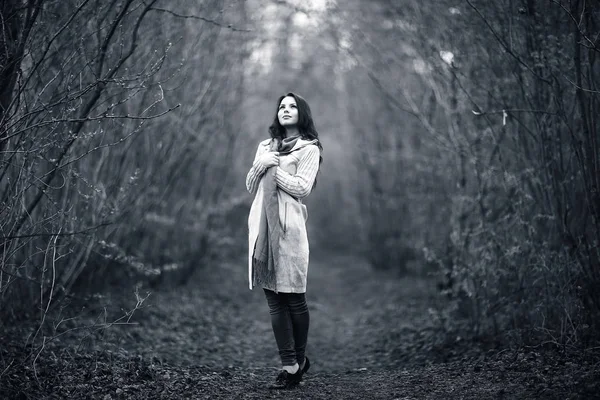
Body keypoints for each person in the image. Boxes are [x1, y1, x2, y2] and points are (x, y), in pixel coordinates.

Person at [245, 92, 323, 389]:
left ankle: (299, 361)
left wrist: (272, 169)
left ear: (302, 113)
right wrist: (261, 163)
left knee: (294, 298)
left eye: (292, 106)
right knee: (274, 302)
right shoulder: (265, 147)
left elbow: (302, 188)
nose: (286, 110)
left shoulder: (309, 149)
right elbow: (250, 184)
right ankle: (290, 367)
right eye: (282, 106)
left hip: (290, 232)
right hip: (262, 229)